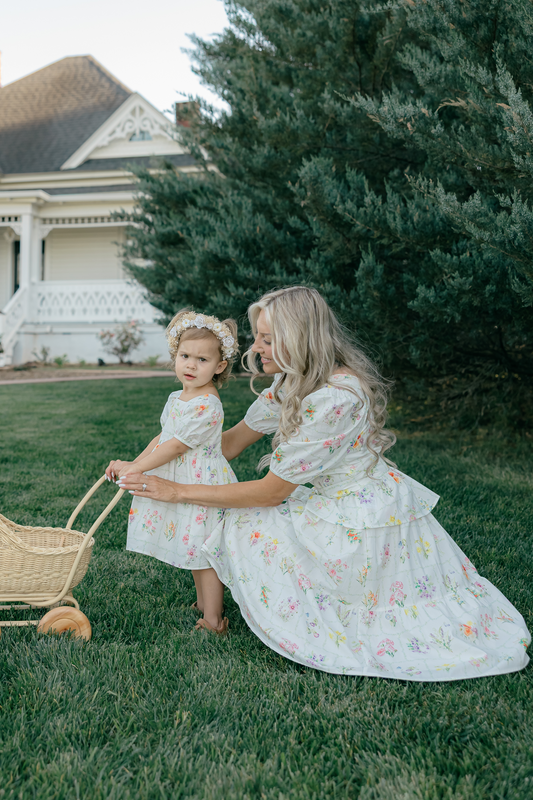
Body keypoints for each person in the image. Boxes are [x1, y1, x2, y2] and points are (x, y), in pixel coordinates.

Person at [117, 287, 530, 680]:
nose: (255, 348)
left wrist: (179, 491)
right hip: (325, 500)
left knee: (241, 526)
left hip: (361, 515)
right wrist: (178, 442)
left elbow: (271, 492)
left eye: (266, 340)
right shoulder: (291, 380)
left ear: (299, 340)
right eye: (258, 338)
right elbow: (229, 444)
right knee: (237, 523)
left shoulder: (336, 396)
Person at [107, 309, 239, 634]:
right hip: (182, 478)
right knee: (192, 545)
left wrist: (137, 468)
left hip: (200, 483)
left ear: (220, 366)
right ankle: (203, 602)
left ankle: (214, 619)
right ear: (175, 356)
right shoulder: (177, 397)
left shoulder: (208, 404)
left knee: (204, 552)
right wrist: (132, 464)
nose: (191, 365)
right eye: (185, 356)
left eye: (202, 360)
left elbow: (176, 446)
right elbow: (161, 439)